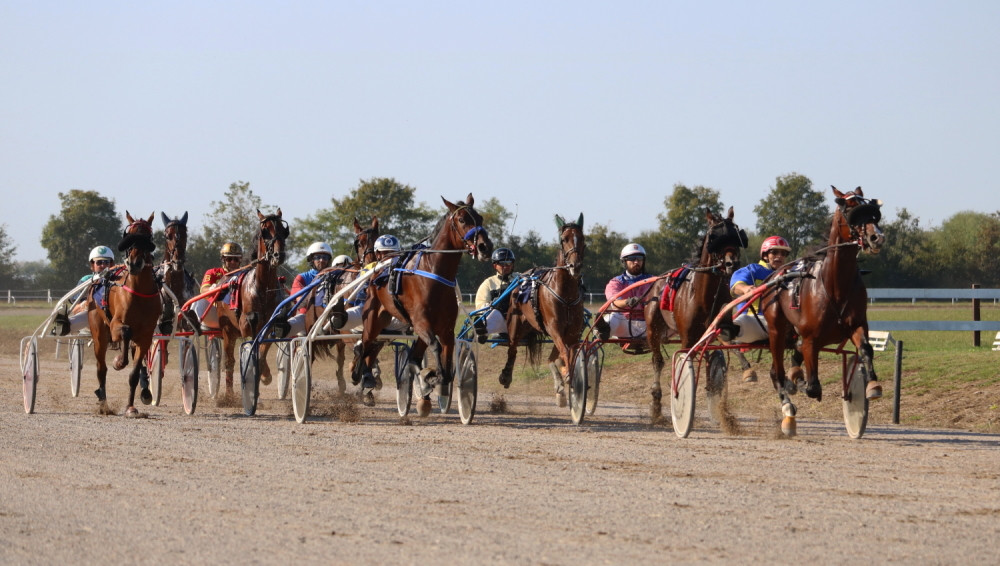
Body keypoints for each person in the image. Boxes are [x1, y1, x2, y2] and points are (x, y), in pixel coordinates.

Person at [726, 235, 792, 345]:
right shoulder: (754, 269)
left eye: (783, 254)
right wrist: (746, 288)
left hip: (783, 323)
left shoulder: (789, 273)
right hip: (756, 321)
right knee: (743, 321)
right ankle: (729, 329)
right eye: (775, 252)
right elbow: (735, 286)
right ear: (765, 255)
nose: (779, 256)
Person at [335, 234, 408, 333]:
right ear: (378, 254)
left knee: (408, 316)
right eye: (386, 253)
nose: (390, 257)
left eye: (393, 253)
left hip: (393, 313)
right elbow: (360, 288)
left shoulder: (403, 270)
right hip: (368, 311)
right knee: (355, 314)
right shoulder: (370, 268)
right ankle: (339, 317)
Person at [53, 246, 119, 336]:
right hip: (92, 318)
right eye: (99, 262)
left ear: (111, 264)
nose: (103, 265)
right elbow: (75, 309)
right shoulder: (86, 280)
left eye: (106, 262)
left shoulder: (119, 281)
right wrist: (87, 304)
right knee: (92, 311)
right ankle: (63, 326)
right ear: (92, 265)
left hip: (115, 317)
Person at [600, 243, 654, 351]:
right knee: (614, 315)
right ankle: (601, 332)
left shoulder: (654, 280)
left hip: (650, 325)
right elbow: (614, 303)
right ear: (624, 262)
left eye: (639, 258)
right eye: (632, 259)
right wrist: (628, 302)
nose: (636, 262)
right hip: (625, 326)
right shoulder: (616, 282)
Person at [282, 242, 335, 337]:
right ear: (311, 260)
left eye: (325, 257)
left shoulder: (335, 277)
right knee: (284, 330)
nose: (322, 260)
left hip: (328, 318)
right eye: (317, 257)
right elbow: (300, 301)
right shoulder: (301, 278)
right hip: (305, 317)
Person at [191, 242, 244, 330]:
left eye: (236, 259)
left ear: (240, 259)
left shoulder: (244, 274)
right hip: (216, 315)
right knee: (198, 300)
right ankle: (193, 324)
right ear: (223, 259)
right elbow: (203, 289)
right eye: (229, 259)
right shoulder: (213, 272)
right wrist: (213, 289)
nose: (233, 262)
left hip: (239, 316)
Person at [473, 248, 516, 343]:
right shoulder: (488, 283)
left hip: (520, 320)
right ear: (495, 265)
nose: (506, 266)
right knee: (496, 312)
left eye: (509, 263)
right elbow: (480, 306)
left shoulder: (521, 278)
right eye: (502, 264)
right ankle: (482, 332)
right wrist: (493, 305)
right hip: (501, 322)